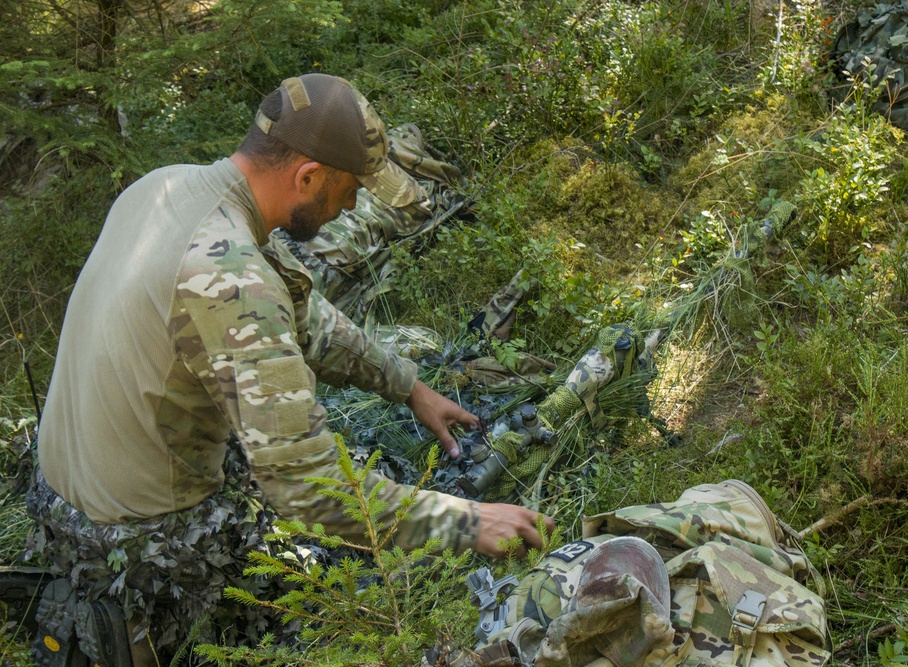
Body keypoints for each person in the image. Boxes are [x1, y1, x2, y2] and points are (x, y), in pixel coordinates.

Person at [26, 73, 553, 666]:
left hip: (55, 492)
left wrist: (409, 386)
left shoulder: (168, 188)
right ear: (307, 176)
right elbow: (307, 489)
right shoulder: (233, 282)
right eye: (350, 189)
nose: (353, 205)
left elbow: (307, 317)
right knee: (320, 593)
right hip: (133, 537)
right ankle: (149, 631)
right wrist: (465, 521)